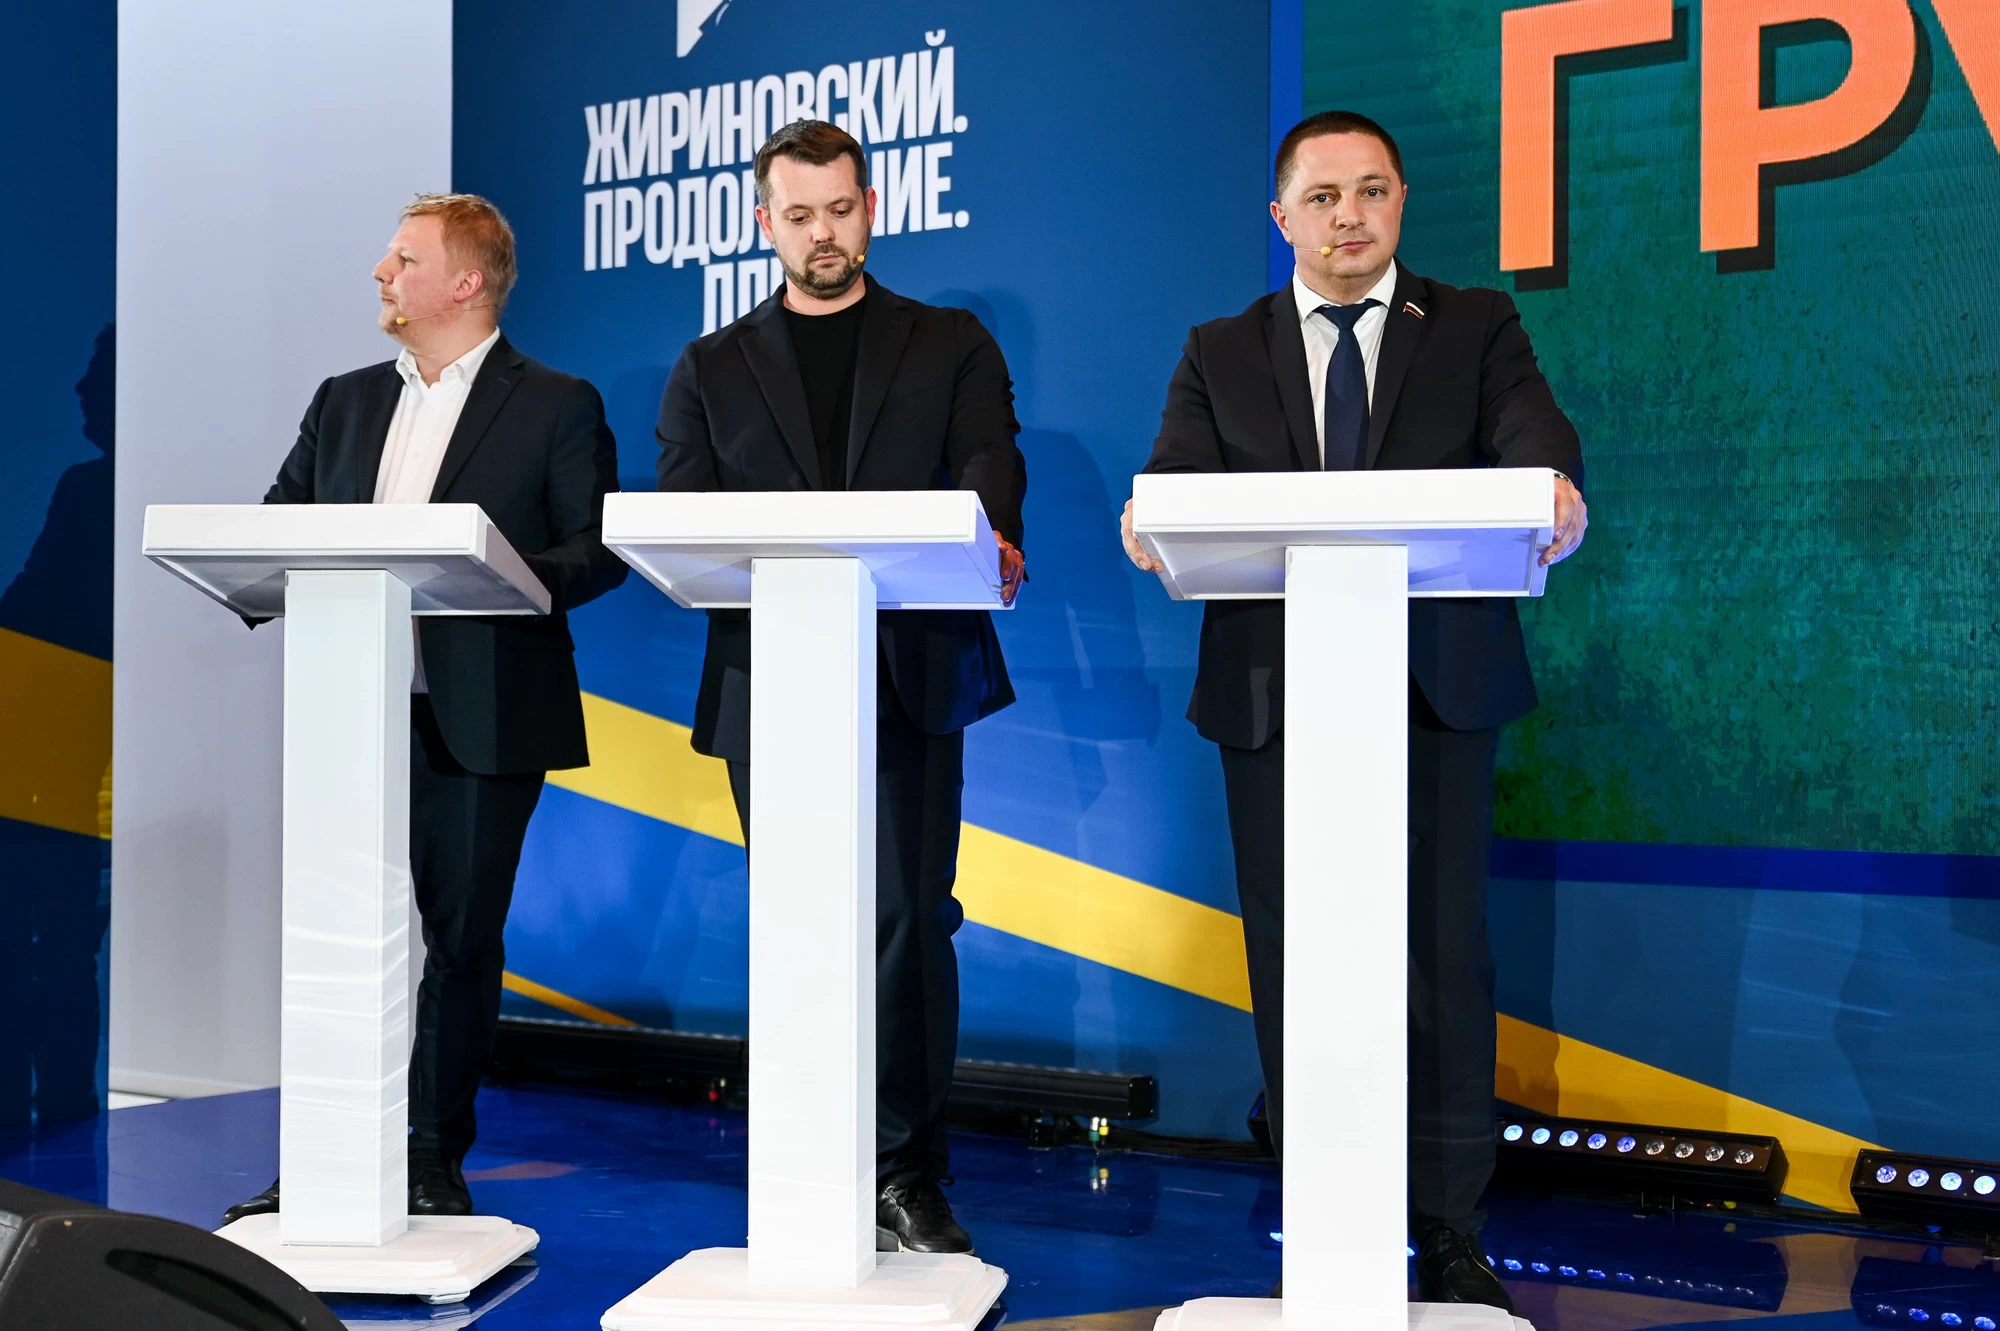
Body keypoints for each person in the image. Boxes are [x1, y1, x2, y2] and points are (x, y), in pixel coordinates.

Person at [1121, 110, 1588, 1309]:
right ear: (1280, 215)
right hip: (1272, 698)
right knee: (1293, 958)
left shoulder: (1472, 325)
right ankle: (1321, 1210)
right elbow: (1172, 479)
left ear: (1398, 204)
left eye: (1371, 191)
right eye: (1323, 196)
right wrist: (1148, 518)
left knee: (1441, 958)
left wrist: (1553, 484)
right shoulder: (1219, 348)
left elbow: (1533, 434)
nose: (1349, 216)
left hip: (1433, 687)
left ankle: (1447, 1225)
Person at [655, 119, 1026, 1255]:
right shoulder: (710, 366)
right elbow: (686, 514)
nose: (823, 233)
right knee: (802, 924)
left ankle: (906, 1170)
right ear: (764, 222)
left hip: (910, 672)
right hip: (771, 684)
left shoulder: (948, 341)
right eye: (799, 214)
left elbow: (989, 459)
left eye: (841, 209)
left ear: (871, 208)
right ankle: (810, 1159)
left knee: (909, 920)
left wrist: (992, 527)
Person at [223, 193, 626, 1223]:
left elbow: (594, 548)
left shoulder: (556, 402)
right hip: (348, 714)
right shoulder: (343, 401)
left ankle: (428, 1153)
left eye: (403, 258)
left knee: (460, 939)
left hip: (482, 707)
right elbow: (276, 528)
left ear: (466, 282)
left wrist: (494, 573)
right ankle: (328, 1153)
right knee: (340, 935)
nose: (381, 272)